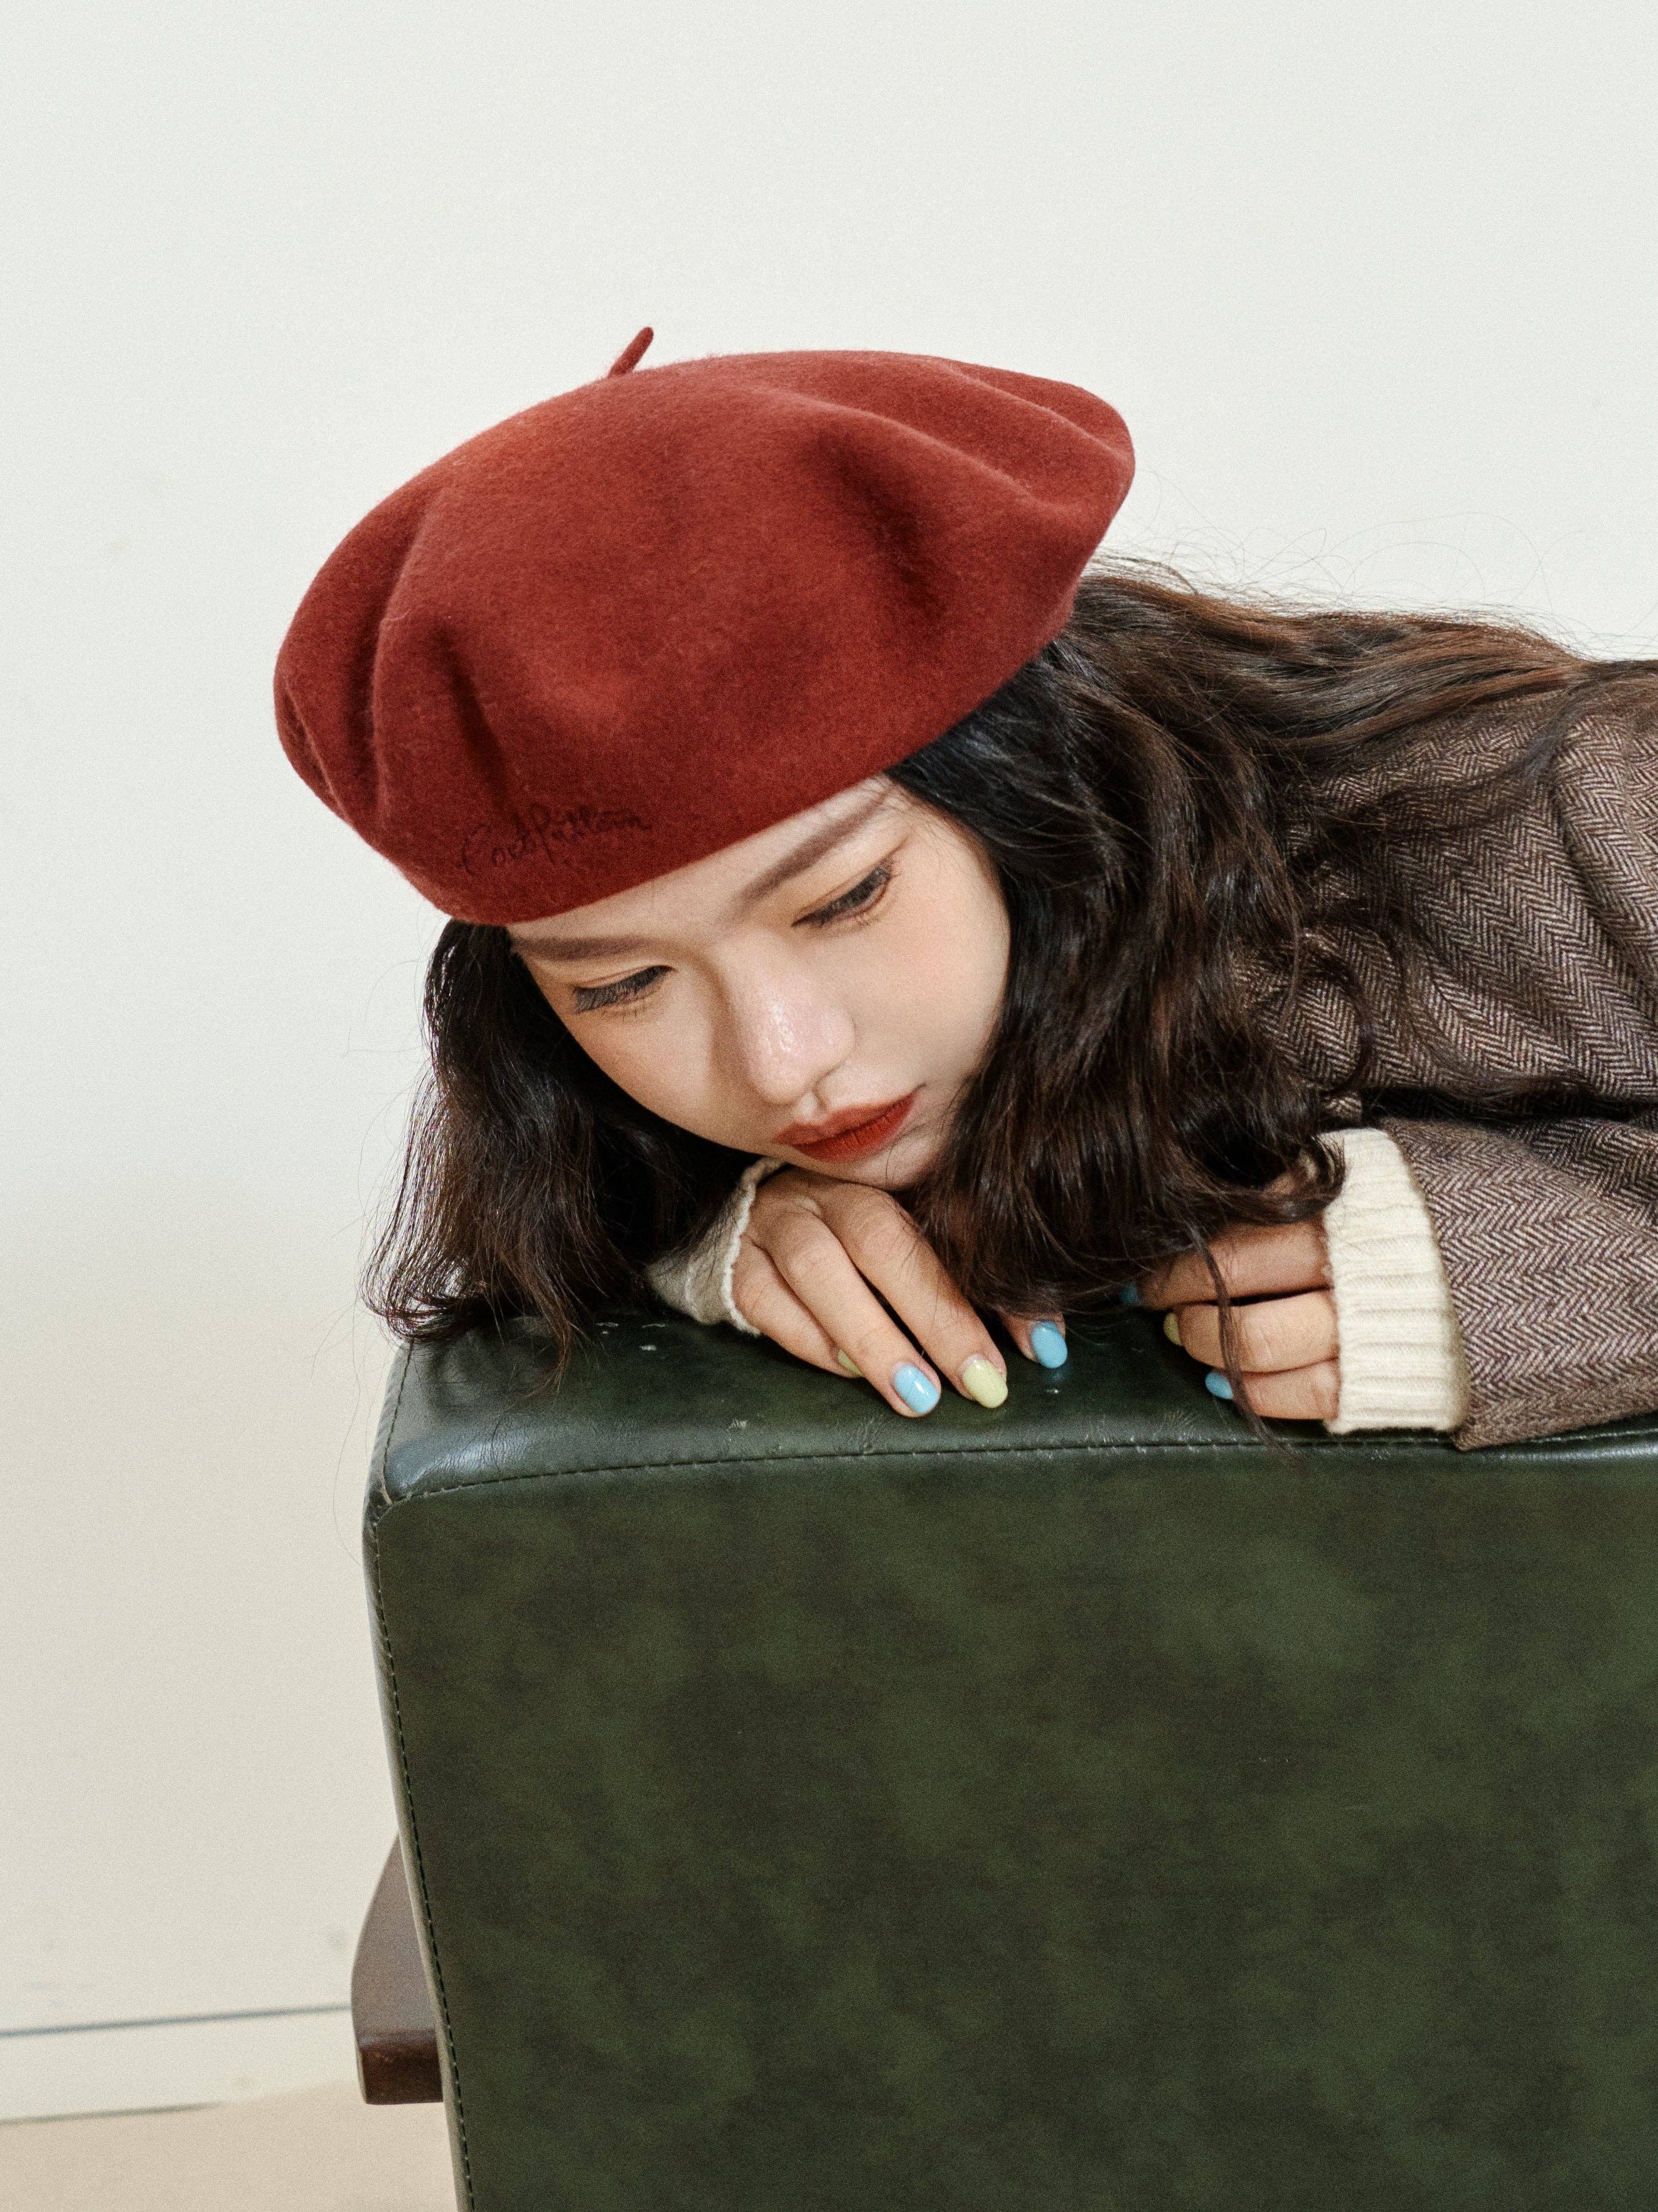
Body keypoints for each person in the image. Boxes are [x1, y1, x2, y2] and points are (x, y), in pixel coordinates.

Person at [275, 331, 1658, 1451]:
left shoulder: (1567, 809)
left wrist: (1552, 1275)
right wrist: (715, 1242)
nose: (783, 1062)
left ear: (1027, 790)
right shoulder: (620, 1102)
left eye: (842, 901)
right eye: (623, 984)